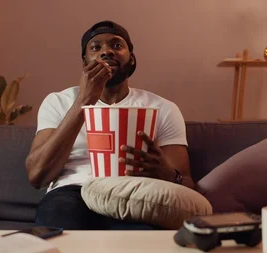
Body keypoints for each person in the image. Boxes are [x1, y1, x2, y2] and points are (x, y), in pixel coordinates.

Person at [25, 20, 194, 230]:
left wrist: (168, 174)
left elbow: (187, 185)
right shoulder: (58, 101)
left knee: (145, 236)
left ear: (132, 59)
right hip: (73, 192)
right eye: (96, 47)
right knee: (59, 221)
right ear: (85, 62)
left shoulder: (163, 108)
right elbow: (36, 176)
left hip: (135, 193)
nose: (106, 51)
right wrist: (84, 101)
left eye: (116, 45)